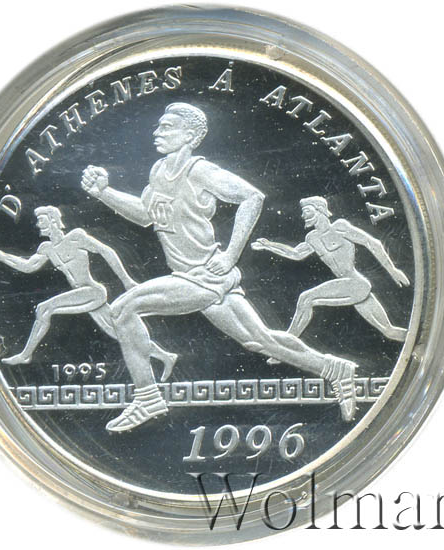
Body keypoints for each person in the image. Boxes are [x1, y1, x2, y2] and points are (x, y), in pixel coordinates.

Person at [81, 103, 358, 432]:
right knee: (261, 341)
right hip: (194, 277)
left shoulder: (199, 171)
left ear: (189, 135)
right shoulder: (158, 170)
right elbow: (146, 214)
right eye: (158, 126)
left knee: (123, 309)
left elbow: (252, 197)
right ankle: (334, 369)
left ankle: (147, 397)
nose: (156, 132)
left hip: (203, 276)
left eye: (166, 127)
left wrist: (229, 256)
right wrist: (104, 193)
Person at [0, 205, 177, 379]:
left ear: (53, 221)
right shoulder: (47, 248)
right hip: (82, 295)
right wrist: (3, 257)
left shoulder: (76, 237)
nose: (38, 225)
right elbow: (28, 266)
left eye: (41, 220)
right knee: (119, 332)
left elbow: (106, 251)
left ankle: (25, 355)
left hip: (92, 291)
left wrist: (126, 280)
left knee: (44, 309)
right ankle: (166, 356)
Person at [252, 196, 409, 364]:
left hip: (356, 283)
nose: (303, 216)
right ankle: (416, 337)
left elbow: (372, 243)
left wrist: (393, 271)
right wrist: (269, 245)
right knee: (389, 331)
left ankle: (285, 350)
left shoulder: (340, 227)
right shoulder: (312, 238)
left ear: (320, 210)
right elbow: (296, 254)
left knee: (306, 298)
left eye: (307, 211)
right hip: (351, 288)